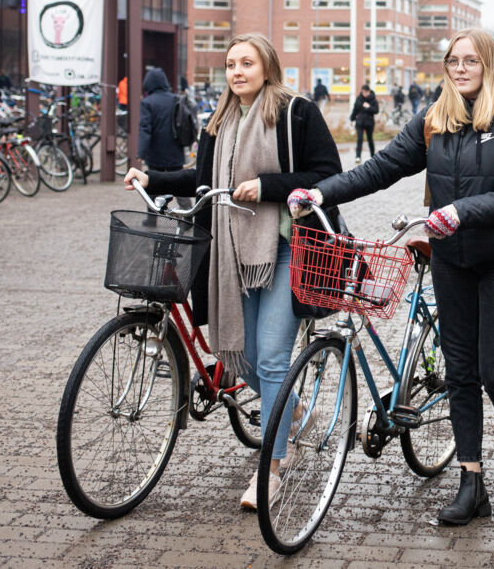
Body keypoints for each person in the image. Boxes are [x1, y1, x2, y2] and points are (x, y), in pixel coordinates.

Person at [287, 27, 494, 526]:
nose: (460, 68)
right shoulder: (433, 119)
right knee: (460, 370)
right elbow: (381, 167)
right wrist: (323, 193)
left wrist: (461, 211)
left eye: (470, 60)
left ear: (488, 64)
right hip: (452, 257)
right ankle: (472, 483)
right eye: (453, 60)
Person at [123, 35, 342, 510]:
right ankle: (293, 410)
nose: (237, 71)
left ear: (268, 66)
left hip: (286, 248)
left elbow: (328, 175)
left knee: (270, 359)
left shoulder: (295, 112)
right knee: (240, 359)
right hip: (230, 254)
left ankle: (273, 469)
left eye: (247, 63)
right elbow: (203, 181)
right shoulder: (218, 121)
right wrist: (152, 177)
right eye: (230, 64)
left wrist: (267, 187)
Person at [137, 68, 183, 171]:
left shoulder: (147, 102)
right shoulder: (175, 99)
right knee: (177, 184)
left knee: (157, 184)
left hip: (155, 154)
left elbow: (145, 129)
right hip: (176, 153)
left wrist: (141, 153)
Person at [349, 84, 379, 163]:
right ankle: (358, 156)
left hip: (369, 122)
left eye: (366, 92)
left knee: (370, 139)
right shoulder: (359, 99)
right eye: (363, 92)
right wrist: (352, 119)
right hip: (359, 122)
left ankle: (373, 156)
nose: (364, 94)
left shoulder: (373, 99)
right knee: (360, 139)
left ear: (369, 91)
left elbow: (376, 110)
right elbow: (355, 109)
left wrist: (369, 107)